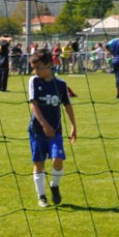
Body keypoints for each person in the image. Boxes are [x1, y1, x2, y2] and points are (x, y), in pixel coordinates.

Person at [27, 50, 77, 208]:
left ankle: (54, 186)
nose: (35, 71)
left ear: (49, 64)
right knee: (39, 162)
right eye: (34, 68)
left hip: (55, 131)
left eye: (38, 67)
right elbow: (33, 104)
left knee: (58, 160)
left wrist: (73, 126)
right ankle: (41, 196)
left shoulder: (61, 84)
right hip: (37, 130)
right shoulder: (34, 81)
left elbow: (67, 105)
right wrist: (44, 125)